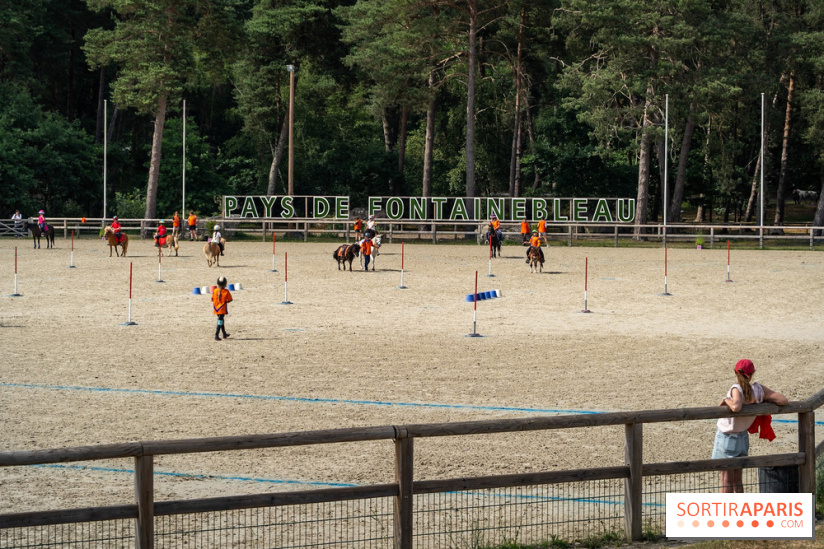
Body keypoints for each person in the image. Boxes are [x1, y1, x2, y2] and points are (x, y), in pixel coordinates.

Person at [712, 359, 787, 493]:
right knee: (737, 480)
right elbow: (783, 400)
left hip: (727, 438)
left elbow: (736, 406)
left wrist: (726, 399)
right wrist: (764, 399)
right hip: (743, 437)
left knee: (726, 480)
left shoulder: (736, 389)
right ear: (752, 373)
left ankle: (726, 507)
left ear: (736, 373)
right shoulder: (758, 390)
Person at [212, 276, 233, 341]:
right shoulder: (226, 291)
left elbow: (212, 299)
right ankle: (216, 335)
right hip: (222, 309)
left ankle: (224, 333)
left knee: (221, 320)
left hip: (216, 309)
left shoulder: (215, 290)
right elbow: (230, 300)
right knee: (220, 322)